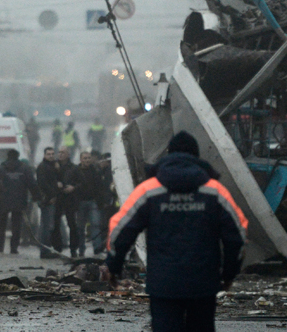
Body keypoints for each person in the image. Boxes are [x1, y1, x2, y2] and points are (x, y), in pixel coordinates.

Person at [105, 131, 248, 332]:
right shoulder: (215, 191)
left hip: (164, 284)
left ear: (168, 154)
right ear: (196, 157)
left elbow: (121, 229)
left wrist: (114, 266)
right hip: (203, 282)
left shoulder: (149, 190)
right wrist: (229, 273)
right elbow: (238, 235)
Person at [0, 150, 40, 254]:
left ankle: (0, 247)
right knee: (16, 225)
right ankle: (13, 248)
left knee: (2, 224)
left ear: (8, 156)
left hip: (3, 201)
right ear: (18, 156)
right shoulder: (25, 169)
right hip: (19, 201)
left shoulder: (0, 169)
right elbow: (32, 184)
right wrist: (36, 197)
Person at [75, 151, 105, 256]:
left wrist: (100, 201)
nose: (87, 160)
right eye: (85, 158)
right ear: (81, 159)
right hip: (80, 202)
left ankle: (97, 249)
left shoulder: (96, 171)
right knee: (80, 228)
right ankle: (81, 250)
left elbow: (100, 186)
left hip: (93, 201)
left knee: (95, 226)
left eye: (88, 158)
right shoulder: (75, 171)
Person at [54, 146, 80, 257]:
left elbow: (81, 182)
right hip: (58, 198)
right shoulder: (54, 166)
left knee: (72, 224)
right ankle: (57, 247)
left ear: (68, 154)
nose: (60, 154)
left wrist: (73, 187)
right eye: (59, 152)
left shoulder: (74, 168)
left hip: (70, 199)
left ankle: (73, 248)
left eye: (63, 152)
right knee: (56, 223)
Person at [36, 147, 62, 259]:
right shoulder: (43, 167)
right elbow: (43, 184)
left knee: (48, 226)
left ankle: (46, 249)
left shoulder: (51, 166)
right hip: (47, 200)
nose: (51, 156)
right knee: (47, 226)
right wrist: (52, 195)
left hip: (50, 199)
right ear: (44, 155)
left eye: (52, 154)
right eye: (48, 154)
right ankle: (45, 251)